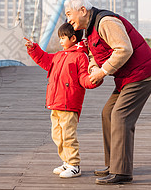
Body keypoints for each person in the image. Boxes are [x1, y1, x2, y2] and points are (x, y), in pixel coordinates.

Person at [64, 0, 151, 185]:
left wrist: (103, 72)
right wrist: (94, 68)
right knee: (108, 114)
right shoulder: (91, 29)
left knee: (121, 116)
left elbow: (123, 49)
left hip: (142, 74)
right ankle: (113, 165)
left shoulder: (105, 22)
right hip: (126, 77)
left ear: (83, 11)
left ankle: (122, 172)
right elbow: (95, 55)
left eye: (70, 14)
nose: (68, 19)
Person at [25, 22, 100, 178]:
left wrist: (94, 80)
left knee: (68, 135)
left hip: (69, 104)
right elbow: (45, 60)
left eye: (62, 38)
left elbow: (83, 78)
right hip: (55, 103)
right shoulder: (59, 56)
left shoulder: (80, 57)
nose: (60, 41)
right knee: (57, 135)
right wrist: (34, 49)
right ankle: (66, 161)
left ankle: (74, 164)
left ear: (73, 38)